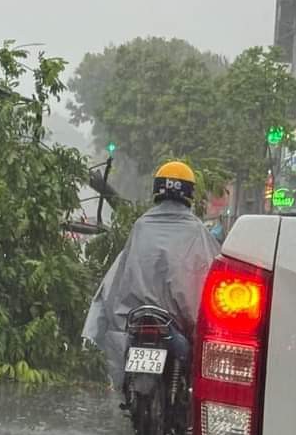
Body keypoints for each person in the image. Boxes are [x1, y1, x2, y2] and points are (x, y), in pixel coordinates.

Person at [82, 160, 221, 381]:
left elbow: (118, 277)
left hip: (137, 320)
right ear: (189, 193)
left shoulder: (141, 226)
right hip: (175, 328)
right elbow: (210, 277)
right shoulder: (197, 231)